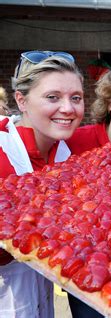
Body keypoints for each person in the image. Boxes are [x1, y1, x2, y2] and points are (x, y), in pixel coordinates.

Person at [0, 52, 84, 317]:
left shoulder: (65, 156)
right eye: (52, 97)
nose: (68, 108)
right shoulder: (3, 152)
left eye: (76, 98)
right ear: (21, 100)